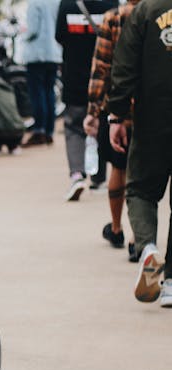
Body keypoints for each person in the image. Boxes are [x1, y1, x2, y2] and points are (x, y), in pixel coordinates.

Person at [108, 0, 172, 306]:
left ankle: (147, 247)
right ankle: (171, 284)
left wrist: (117, 115)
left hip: (153, 120)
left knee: (140, 191)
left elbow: (124, 66)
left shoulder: (146, 11)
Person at [84, 0, 140, 259]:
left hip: (118, 106)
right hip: (152, 107)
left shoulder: (113, 18)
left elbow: (101, 68)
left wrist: (94, 110)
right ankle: (139, 238)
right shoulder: (160, 16)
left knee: (118, 167)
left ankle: (116, 228)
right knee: (142, 173)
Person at [55, 0, 116, 201]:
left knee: (74, 127)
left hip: (74, 75)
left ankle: (78, 174)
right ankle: (99, 178)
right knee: (102, 125)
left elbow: (59, 36)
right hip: (103, 77)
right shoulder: (110, 3)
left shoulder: (67, 4)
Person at [20, 0, 62, 149]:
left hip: (37, 54)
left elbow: (32, 30)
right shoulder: (56, 2)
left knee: (37, 94)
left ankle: (39, 130)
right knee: (49, 93)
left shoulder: (35, 3)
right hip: (54, 54)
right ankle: (49, 131)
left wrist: (21, 35)